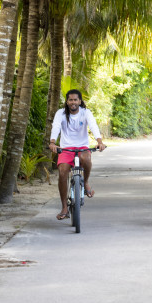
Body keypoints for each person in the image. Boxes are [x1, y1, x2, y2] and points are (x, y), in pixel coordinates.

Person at [49, 89, 105, 220]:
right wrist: (52, 142)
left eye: (75, 100)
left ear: (80, 101)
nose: (73, 102)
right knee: (62, 172)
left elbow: (93, 126)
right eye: (70, 100)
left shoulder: (86, 113)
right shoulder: (61, 113)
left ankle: (85, 182)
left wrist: (99, 142)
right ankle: (64, 208)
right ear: (67, 101)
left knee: (86, 158)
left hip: (82, 147)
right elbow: (56, 127)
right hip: (66, 148)